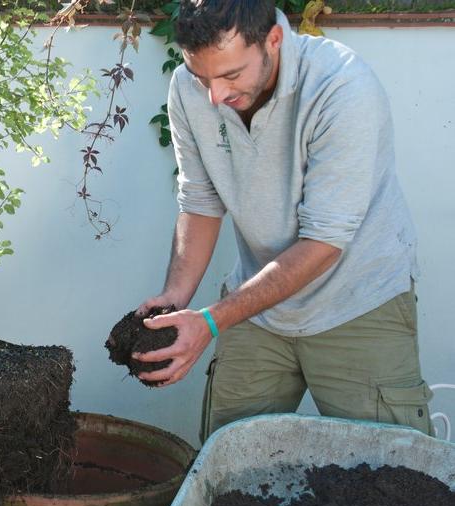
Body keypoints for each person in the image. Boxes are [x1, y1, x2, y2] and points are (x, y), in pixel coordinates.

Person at [133, 0, 433, 442]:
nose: (215, 95)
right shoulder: (189, 88)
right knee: (228, 464)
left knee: (390, 478)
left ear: (274, 39)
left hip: (359, 301)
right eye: (203, 77)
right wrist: (175, 299)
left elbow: (324, 241)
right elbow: (200, 198)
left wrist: (213, 321)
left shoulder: (341, 86)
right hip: (257, 311)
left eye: (231, 75)